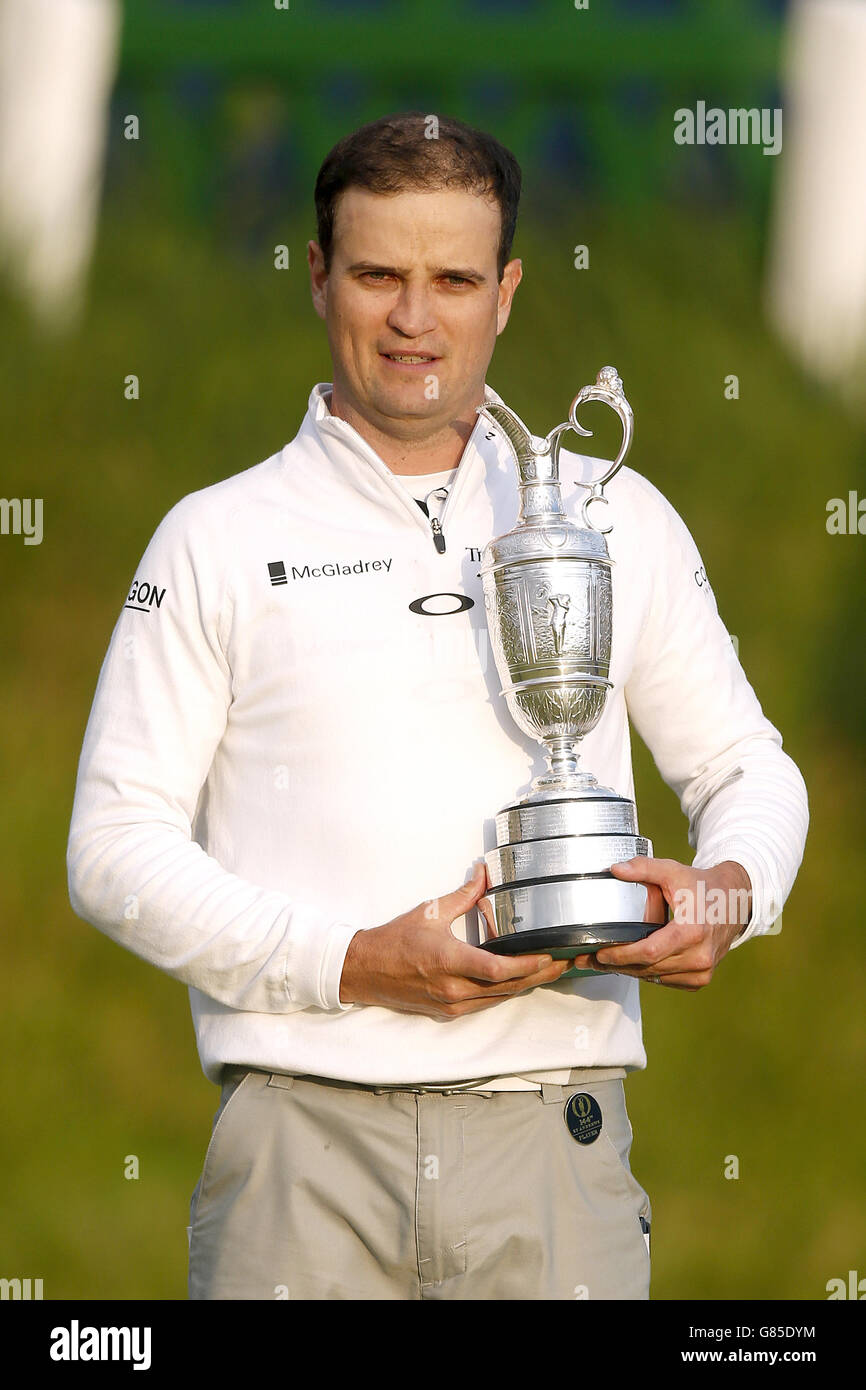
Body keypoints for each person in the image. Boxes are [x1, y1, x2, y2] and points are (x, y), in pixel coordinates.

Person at [66, 111, 809, 1301]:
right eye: (378, 275)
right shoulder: (214, 535)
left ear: (505, 291)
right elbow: (110, 849)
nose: (415, 319)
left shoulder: (608, 513)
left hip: (553, 1148)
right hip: (296, 1157)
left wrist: (726, 898)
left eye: (453, 279)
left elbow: (746, 772)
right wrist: (351, 963)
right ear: (318, 277)